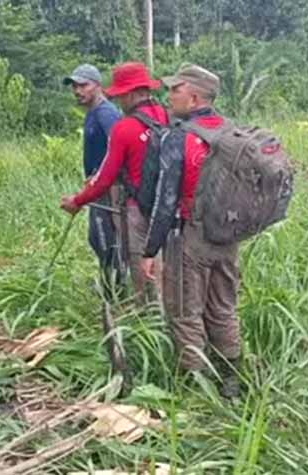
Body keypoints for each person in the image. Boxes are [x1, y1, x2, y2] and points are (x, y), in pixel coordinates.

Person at [139, 64, 243, 398]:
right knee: (223, 308)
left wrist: (149, 250)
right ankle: (232, 385)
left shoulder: (178, 137)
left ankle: (196, 394)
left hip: (190, 238)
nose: (168, 97)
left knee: (185, 312)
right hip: (228, 239)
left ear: (194, 96)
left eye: (175, 90)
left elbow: (164, 200)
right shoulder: (233, 133)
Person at [60, 62, 169, 306]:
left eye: (121, 96)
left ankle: (142, 317)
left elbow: (107, 175)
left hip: (135, 203)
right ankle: (160, 313)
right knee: (159, 263)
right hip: (165, 203)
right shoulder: (165, 116)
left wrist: (78, 200)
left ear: (130, 93)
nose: (120, 102)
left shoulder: (120, 124)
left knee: (136, 260)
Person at [63, 64, 125, 297]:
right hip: (98, 185)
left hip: (107, 187)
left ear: (98, 86)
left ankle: (113, 293)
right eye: (75, 86)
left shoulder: (105, 113)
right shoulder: (93, 113)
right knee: (98, 238)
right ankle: (110, 284)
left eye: (83, 85)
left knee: (105, 238)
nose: (78, 91)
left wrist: (100, 176)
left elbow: (116, 146)